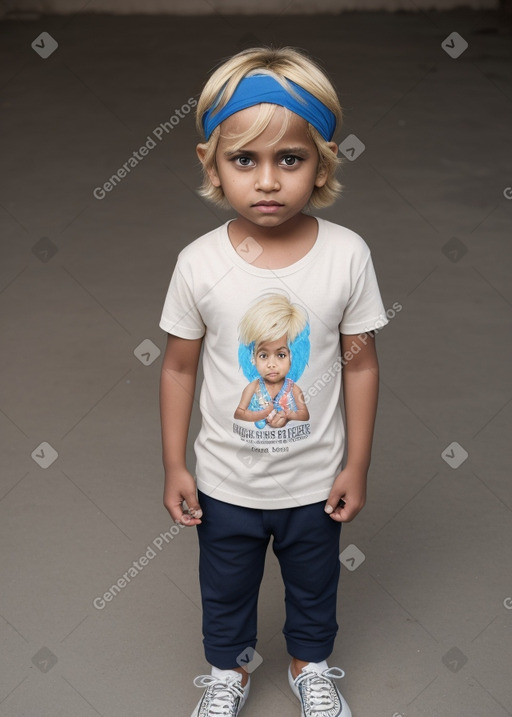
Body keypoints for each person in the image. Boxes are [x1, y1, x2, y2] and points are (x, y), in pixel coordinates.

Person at [159, 45, 389, 717]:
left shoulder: (347, 255)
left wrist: (358, 463)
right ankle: (226, 674)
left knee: (315, 585)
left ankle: (309, 667)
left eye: (289, 159)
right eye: (244, 160)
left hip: (314, 481)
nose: (267, 180)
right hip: (225, 483)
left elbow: (363, 362)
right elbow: (178, 366)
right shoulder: (199, 264)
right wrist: (176, 462)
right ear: (212, 163)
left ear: (322, 162)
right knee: (225, 587)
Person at [234, 293, 310, 429]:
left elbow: (304, 415)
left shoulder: (293, 389)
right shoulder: (253, 387)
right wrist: (263, 414)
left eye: (281, 355)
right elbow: (239, 413)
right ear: (253, 358)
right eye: (263, 356)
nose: (271, 364)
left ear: (292, 357)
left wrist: (289, 415)